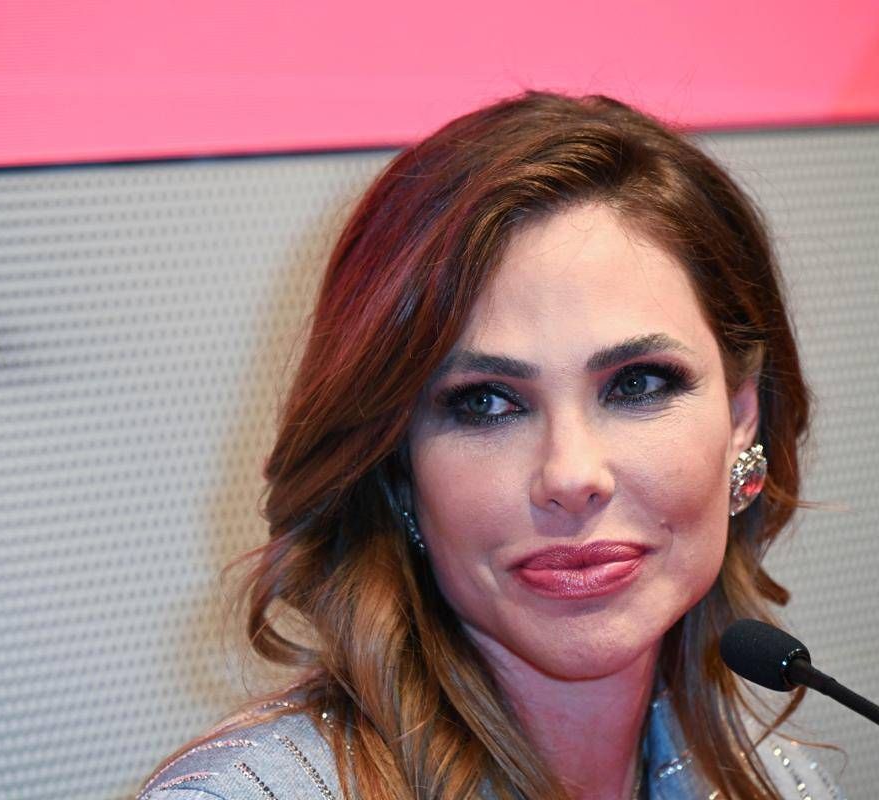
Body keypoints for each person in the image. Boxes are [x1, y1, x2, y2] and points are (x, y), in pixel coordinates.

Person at [138, 92, 842, 800]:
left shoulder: (780, 783)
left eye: (638, 384)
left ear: (741, 414)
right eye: (486, 402)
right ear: (396, 463)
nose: (571, 474)